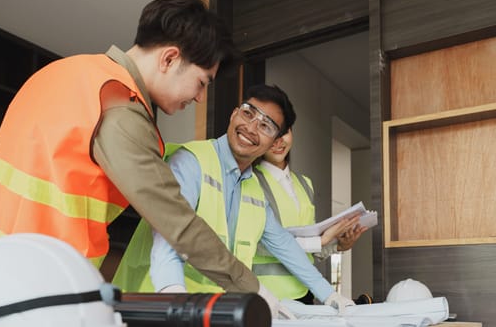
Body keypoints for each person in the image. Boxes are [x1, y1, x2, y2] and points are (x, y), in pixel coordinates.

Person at [0, 0, 265, 296]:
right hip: (44, 286)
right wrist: (254, 290)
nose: (199, 98)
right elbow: (176, 221)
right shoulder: (119, 105)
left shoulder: (65, 72)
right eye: (201, 82)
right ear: (169, 59)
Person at [114, 84, 356, 317]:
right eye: (248, 113)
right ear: (233, 115)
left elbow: (285, 246)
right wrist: (175, 300)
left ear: (273, 143)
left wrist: (328, 295)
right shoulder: (192, 161)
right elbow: (168, 237)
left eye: (266, 126)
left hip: (209, 309)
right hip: (154, 303)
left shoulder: (255, 191)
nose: (251, 128)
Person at [252, 127, 367, 304]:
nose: (278, 141)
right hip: (268, 295)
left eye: (283, 132)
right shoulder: (250, 181)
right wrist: (319, 241)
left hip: (306, 290)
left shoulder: (304, 183)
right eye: (270, 133)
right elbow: (255, 243)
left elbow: (310, 250)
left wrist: (338, 246)